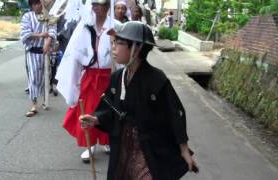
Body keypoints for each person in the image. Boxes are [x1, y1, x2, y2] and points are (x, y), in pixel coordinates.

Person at [80, 21, 198, 179]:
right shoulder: (117, 78)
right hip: (122, 148)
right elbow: (110, 109)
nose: (113, 47)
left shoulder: (157, 80)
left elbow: (174, 114)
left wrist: (184, 149)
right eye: (113, 42)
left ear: (137, 48)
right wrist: (96, 119)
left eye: (119, 43)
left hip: (147, 151)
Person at [56, 0, 114, 162]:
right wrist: (73, 84)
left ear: (108, 6)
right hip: (90, 77)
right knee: (88, 111)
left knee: (110, 111)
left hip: (109, 77)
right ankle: (90, 145)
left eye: (100, 3)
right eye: (93, 3)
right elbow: (74, 56)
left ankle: (107, 141)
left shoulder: (115, 26)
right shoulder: (84, 26)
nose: (95, 7)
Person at [20, 0, 56, 117]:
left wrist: (48, 42)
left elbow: (52, 31)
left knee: (46, 77)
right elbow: (25, 34)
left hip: (46, 52)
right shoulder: (27, 16)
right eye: (35, 4)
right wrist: (40, 35)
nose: (38, 6)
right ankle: (34, 104)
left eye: (39, 3)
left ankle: (45, 101)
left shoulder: (50, 16)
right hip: (33, 52)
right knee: (34, 77)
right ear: (31, 5)